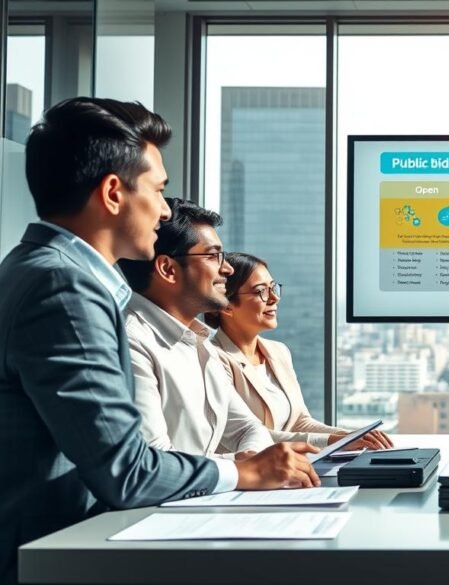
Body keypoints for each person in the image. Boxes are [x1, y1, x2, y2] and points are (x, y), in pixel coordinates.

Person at [0, 98, 319, 583]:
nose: (165, 209)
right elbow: (127, 471)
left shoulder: (36, 268)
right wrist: (245, 473)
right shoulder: (63, 287)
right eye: (158, 189)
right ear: (113, 193)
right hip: (55, 556)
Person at [118, 199, 276, 458]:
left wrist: (249, 460)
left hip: (206, 496)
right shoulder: (131, 340)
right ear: (168, 269)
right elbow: (153, 459)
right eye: (213, 256)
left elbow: (247, 428)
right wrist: (241, 468)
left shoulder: (200, 341)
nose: (227, 268)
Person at [205, 253, 393, 450]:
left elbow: (300, 422)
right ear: (225, 306)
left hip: (293, 469)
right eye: (261, 291)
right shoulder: (213, 360)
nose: (274, 298)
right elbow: (244, 435)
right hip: (251, 475)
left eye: (273, 288)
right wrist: (334, 441)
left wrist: (352, 436)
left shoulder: (278, 352)